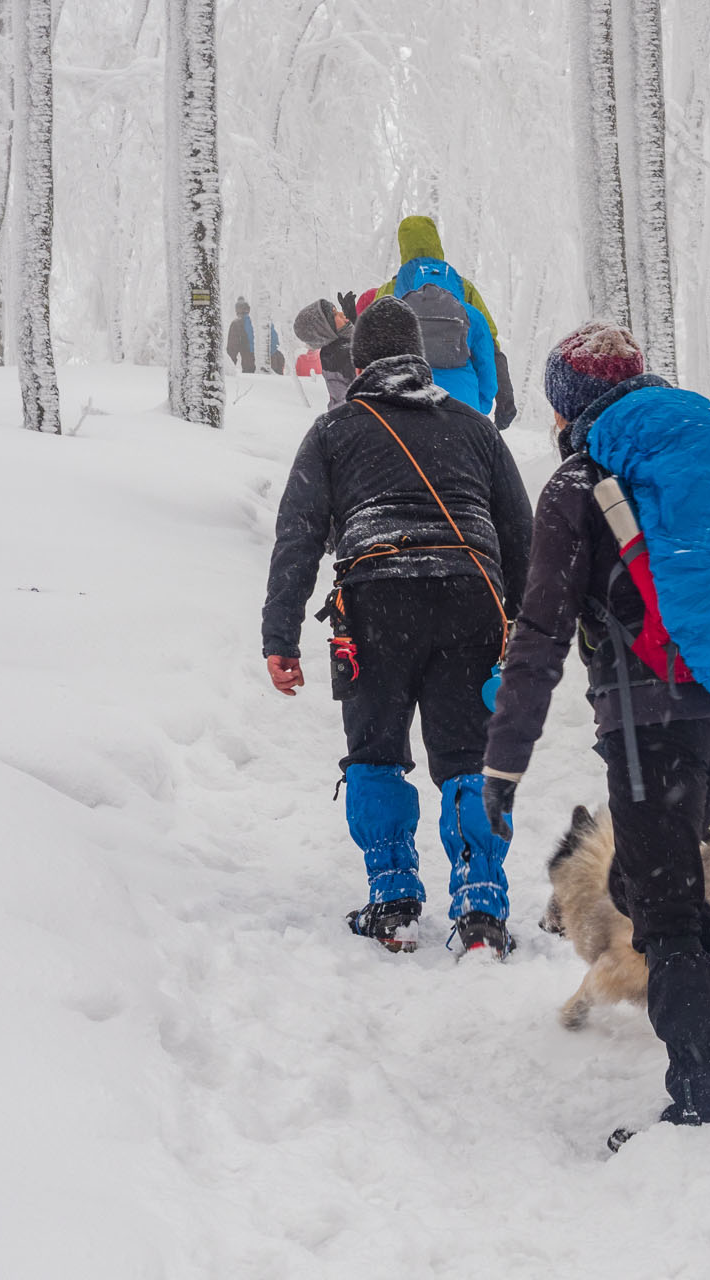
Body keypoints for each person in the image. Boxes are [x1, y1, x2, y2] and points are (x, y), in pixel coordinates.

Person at [479, 323, 710, 1133]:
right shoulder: (694, 462)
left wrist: (504, 763)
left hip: (649, 722)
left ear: (568, 407)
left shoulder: (581, 482)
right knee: (639, 882)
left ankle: (704, 1102)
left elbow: (540, 635)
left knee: (664, 915)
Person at [262, 296, 533, 958]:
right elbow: (520, 534)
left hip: (375, 603)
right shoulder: (475, 428)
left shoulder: (334, 430)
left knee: (376, 750)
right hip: (471, 600)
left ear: (358, 364)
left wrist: (280, 637)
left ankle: (393, 906)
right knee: (468, 757)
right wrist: (521, 625)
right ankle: (480, 910)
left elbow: (298, 536)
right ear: (421, 357)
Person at [359, 216, 518, 430]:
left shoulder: (389, 291)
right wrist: (498, 397)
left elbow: (373, 347)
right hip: (463, 401)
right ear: (437, 243)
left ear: (402, 247)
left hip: (405, 400)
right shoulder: (462, 287)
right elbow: (489, 343)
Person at [292, 298, 356, 407]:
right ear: (325, 329)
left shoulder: (337, 348)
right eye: (335, 314)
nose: (341, 313)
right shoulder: (340, 355)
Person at [226, 297, 257, 373]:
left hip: (245, 347)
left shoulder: (236, 323)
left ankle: (230, 369)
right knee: (249, 366)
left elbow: (232, 347)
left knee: (232, 352)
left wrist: (230, 364)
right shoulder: (249, 321)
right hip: (250, 351)